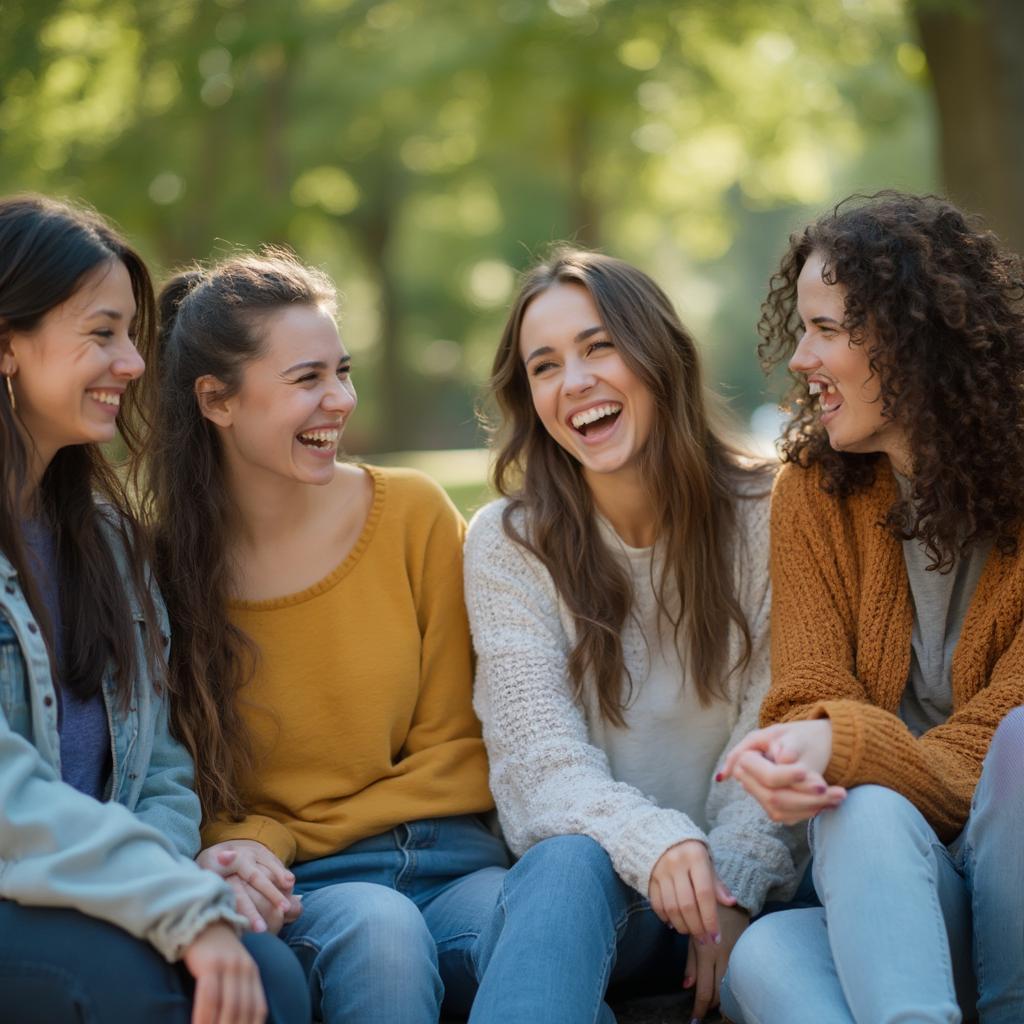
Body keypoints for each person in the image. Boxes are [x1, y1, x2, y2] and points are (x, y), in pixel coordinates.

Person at [143, 249, 508, 1023]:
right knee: (382, 933)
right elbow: (181, 782)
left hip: (453, 864)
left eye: (342, 372)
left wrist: (284, 829)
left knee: (536, 932)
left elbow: (458, 745)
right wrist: (257, 846)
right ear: (217, 400)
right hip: (309, 890)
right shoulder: (163, 570)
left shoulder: (413, 513)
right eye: (307, 379)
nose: (340, 400)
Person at [462, 248, 804, 1024]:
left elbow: (781, 718)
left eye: (598, 346)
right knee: (565, 862)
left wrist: (733, 884)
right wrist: (656, 843)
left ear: (659, 355)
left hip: (746, 891)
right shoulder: (510, 542)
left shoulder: (769, 512)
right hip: (594, 897)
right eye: (543, 366)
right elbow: (537, 765)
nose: (573, 381)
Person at [0, 195, 308, 1023]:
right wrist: (171, 901)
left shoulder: (109, 547)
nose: (135, 363)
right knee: (150, 989)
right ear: (7, 348)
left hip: (100, 889)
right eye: (102, 334)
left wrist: (180, 875)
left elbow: (160, 770)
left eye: (131, 334)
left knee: (274, 976)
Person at [718, 191, 1024, 1024]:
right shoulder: (814, 492)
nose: (800, 359)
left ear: (910, 337)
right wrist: (809, 753)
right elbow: (808, 691)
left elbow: (1002, 732)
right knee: (769, 952)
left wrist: (840, 740)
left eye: (826, 329)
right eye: (800, 328)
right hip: (899, 893)